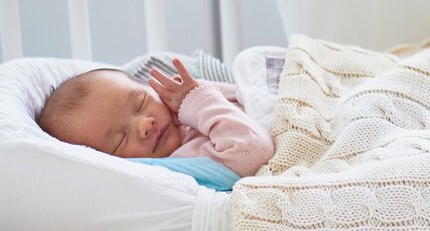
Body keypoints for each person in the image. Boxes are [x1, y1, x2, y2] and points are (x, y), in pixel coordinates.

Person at [37, 57, 274, 177]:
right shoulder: (182, 162)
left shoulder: (186, 96)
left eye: (141, 102)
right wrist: (200, 102)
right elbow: (255, 151)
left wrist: (193, 96)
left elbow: (254, 97)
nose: (144, 125)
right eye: (120, 139)